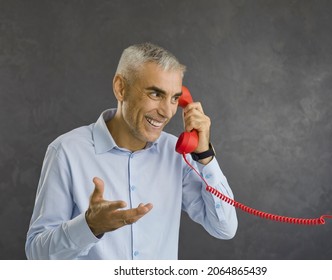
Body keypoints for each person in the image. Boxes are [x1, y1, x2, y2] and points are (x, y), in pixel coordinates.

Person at [25, 43, 238, 260]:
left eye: (175, 98)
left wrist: (204, 155)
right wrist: (89, 227)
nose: (166, 112)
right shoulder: (66, 152)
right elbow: (37, 254)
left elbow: (224, 228)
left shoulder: (176, 154)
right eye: (156, 94)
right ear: (121, 88)